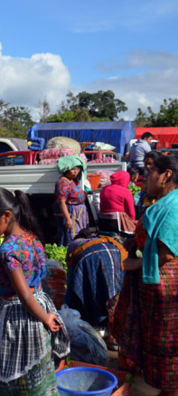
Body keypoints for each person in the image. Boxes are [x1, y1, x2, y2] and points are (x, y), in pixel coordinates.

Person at [0, 187, 70, 395]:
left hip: (21, 316)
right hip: (40, 304)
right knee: (38, 369)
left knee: (15, 374)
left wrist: (45, 318)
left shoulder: (8, 251)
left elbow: (24, 295)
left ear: (6, 216)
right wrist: (45, 316)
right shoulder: (31, 237)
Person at [112, 155, 178, 395]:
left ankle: (169, 390)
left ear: (166, 176)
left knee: (166, 346)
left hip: (165, 287)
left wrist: (134, 264)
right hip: (159, 284)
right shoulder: (167, 202)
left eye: (151, 172)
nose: (145, 177)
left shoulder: (171, 206)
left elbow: (167, 254)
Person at [55, 155, 88, 246]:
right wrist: (68, 219)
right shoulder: (63, 183)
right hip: (70, 212)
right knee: (68, 236)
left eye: (77, 169)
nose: (76, 172)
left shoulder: (72, 180)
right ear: (66, 169)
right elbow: (61, 202)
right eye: (73, 169)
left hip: (78, 212)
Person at [136, 150, 162, 218]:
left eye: (150, 164)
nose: (147, 166)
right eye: (145, 163)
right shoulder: (147, 176)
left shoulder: (161, 178)